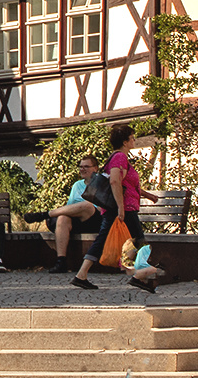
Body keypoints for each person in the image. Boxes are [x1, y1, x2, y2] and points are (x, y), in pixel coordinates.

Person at [71, 123, 147, 289]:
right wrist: (120, 206)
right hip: (123, 207)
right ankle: (140, 277)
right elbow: (114, 181)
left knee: (104, 239)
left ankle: (81, 274)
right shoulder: (120, 157)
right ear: (125, 141)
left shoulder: (116, 157)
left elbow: (126, 183)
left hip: (119, 206)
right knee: (139, 240)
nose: (134, 140)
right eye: (132, 137)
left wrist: (148, 195)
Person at [31, 155, 104, 274]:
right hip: (78, 221)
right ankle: (61, 261)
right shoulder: (77, 185)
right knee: (63, 218)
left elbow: (103, 208)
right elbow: (69, 207)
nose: (82, 169)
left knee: (87, 205)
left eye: (86, 166)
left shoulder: (101, 183)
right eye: (80, 167)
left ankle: (46, 214)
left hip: (95, 220)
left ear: (95, 168)